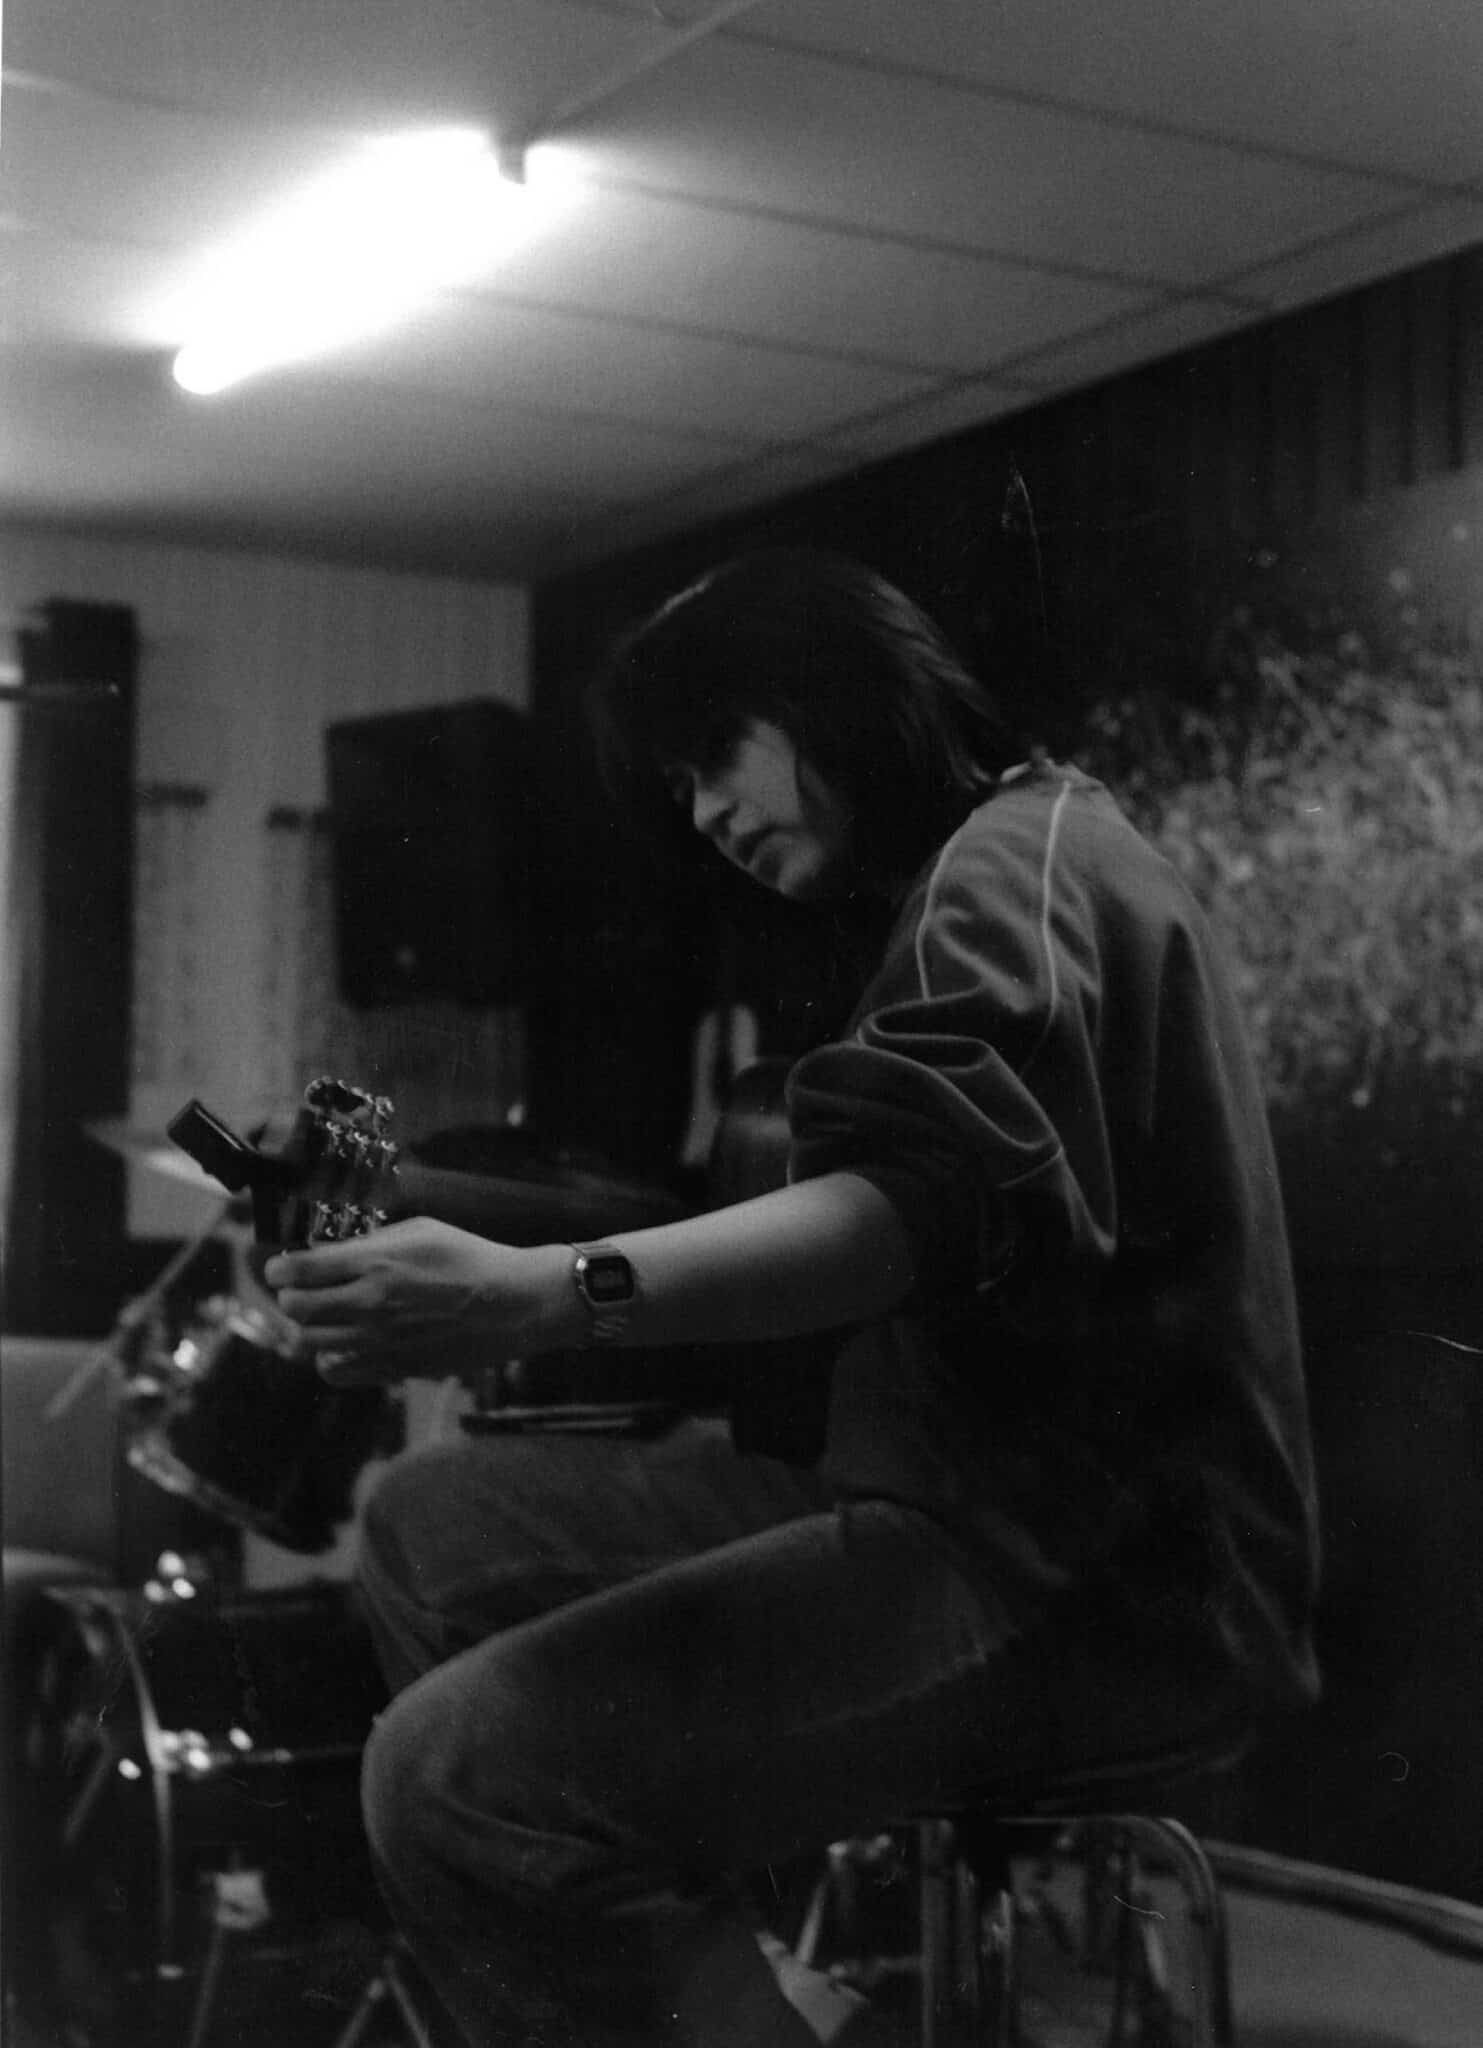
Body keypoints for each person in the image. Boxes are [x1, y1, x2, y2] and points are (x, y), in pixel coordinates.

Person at [265, 548, 1321, 2048]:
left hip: (1093, 1584)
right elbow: (792, 1227)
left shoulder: (1012, 874)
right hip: (964, 1508)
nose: (705, 814)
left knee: (447, 1780)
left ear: (829, 694)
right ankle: (724, 1983)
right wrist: (440, 1209)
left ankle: (735, 2005)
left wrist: (537, 1297)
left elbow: (902, 1211)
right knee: (430, 1525)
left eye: (714, 756)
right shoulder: (1007, 862)